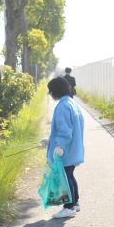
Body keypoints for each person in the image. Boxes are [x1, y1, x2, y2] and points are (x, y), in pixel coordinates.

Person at [46, 77, 85, 219]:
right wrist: (51, 140)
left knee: (66, 178)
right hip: (74, 148)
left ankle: (68, 207)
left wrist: (59, 146)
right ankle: (75, 203)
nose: (50, 94)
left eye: (51, 92)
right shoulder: (72, 103)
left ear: (55, 91)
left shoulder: (62, 106)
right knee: (70, 175)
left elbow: (65, 131)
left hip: (66, 150)